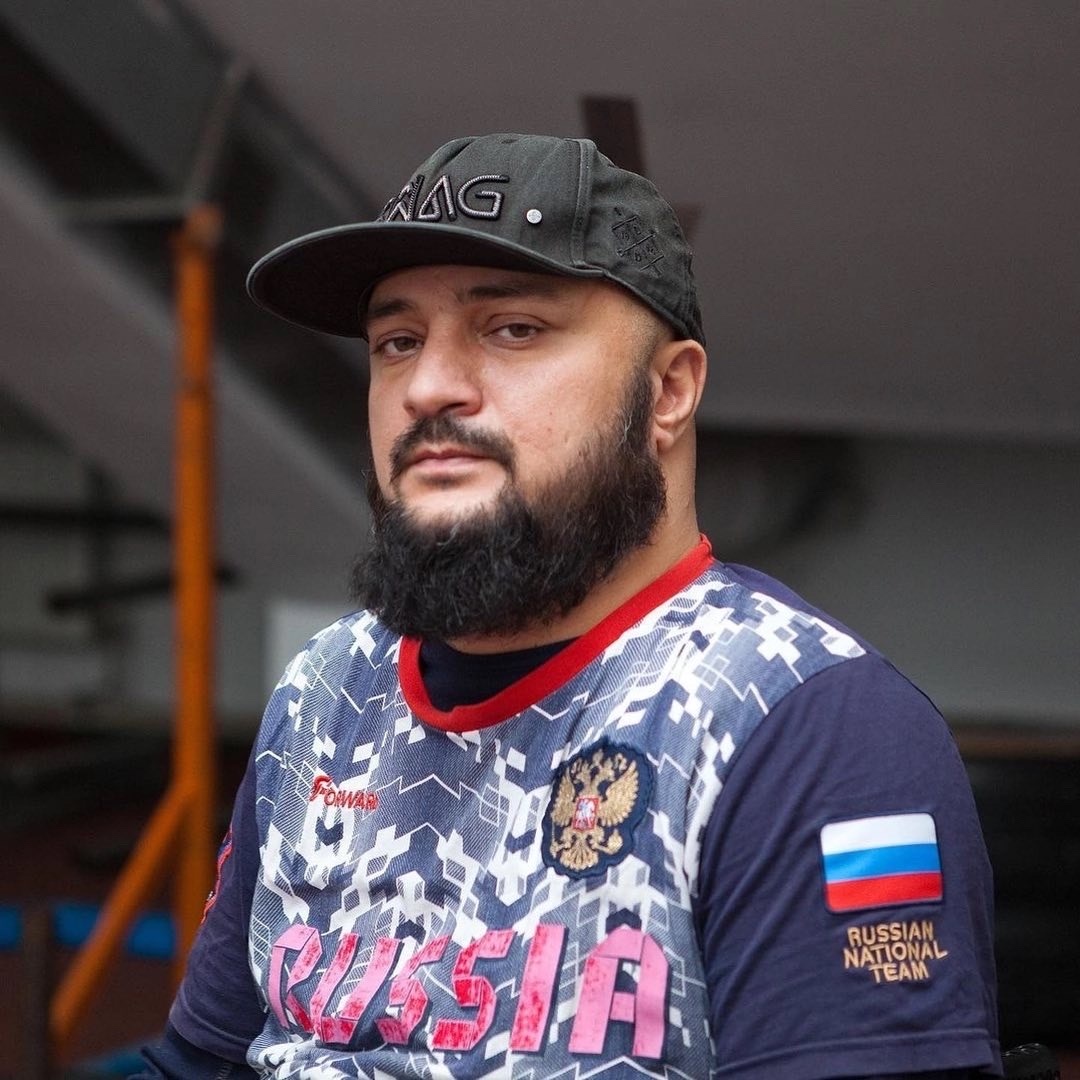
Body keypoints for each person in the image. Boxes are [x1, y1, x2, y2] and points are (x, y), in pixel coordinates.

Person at [136, 133, 1001, 1078]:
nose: (428, 387)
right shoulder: (328, 689)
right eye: (397, 341)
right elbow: (202, 1062)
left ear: (668, 392)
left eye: (513, 329)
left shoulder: (811, 725)